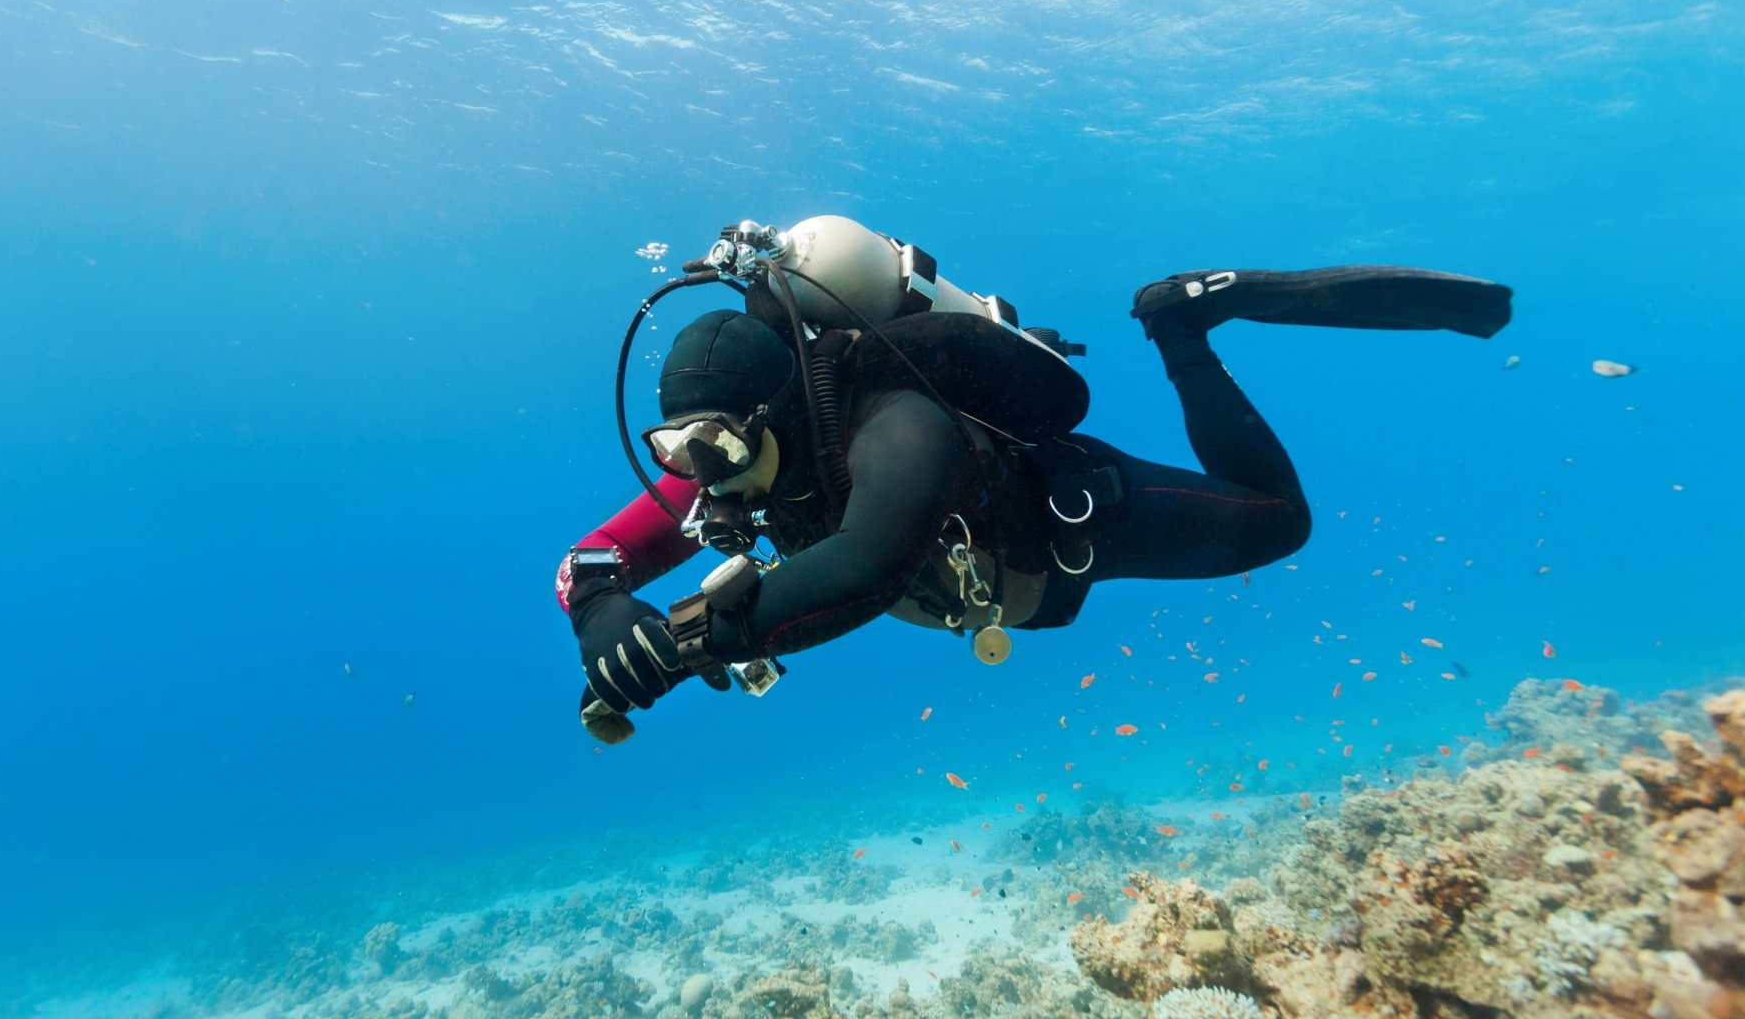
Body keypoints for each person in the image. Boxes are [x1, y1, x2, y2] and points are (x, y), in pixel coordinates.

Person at [555, 217, 1512, 742]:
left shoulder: (899, 424)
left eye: (711, 448)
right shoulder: (723, 466)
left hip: (1070, 521)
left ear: (772, 413)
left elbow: (869, 563)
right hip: (994, 585)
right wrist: (604, 614)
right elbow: (590, 560)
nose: (696, 478)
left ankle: (1184, 328)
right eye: (676, 449)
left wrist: (683, 642)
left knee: (1281, 524)